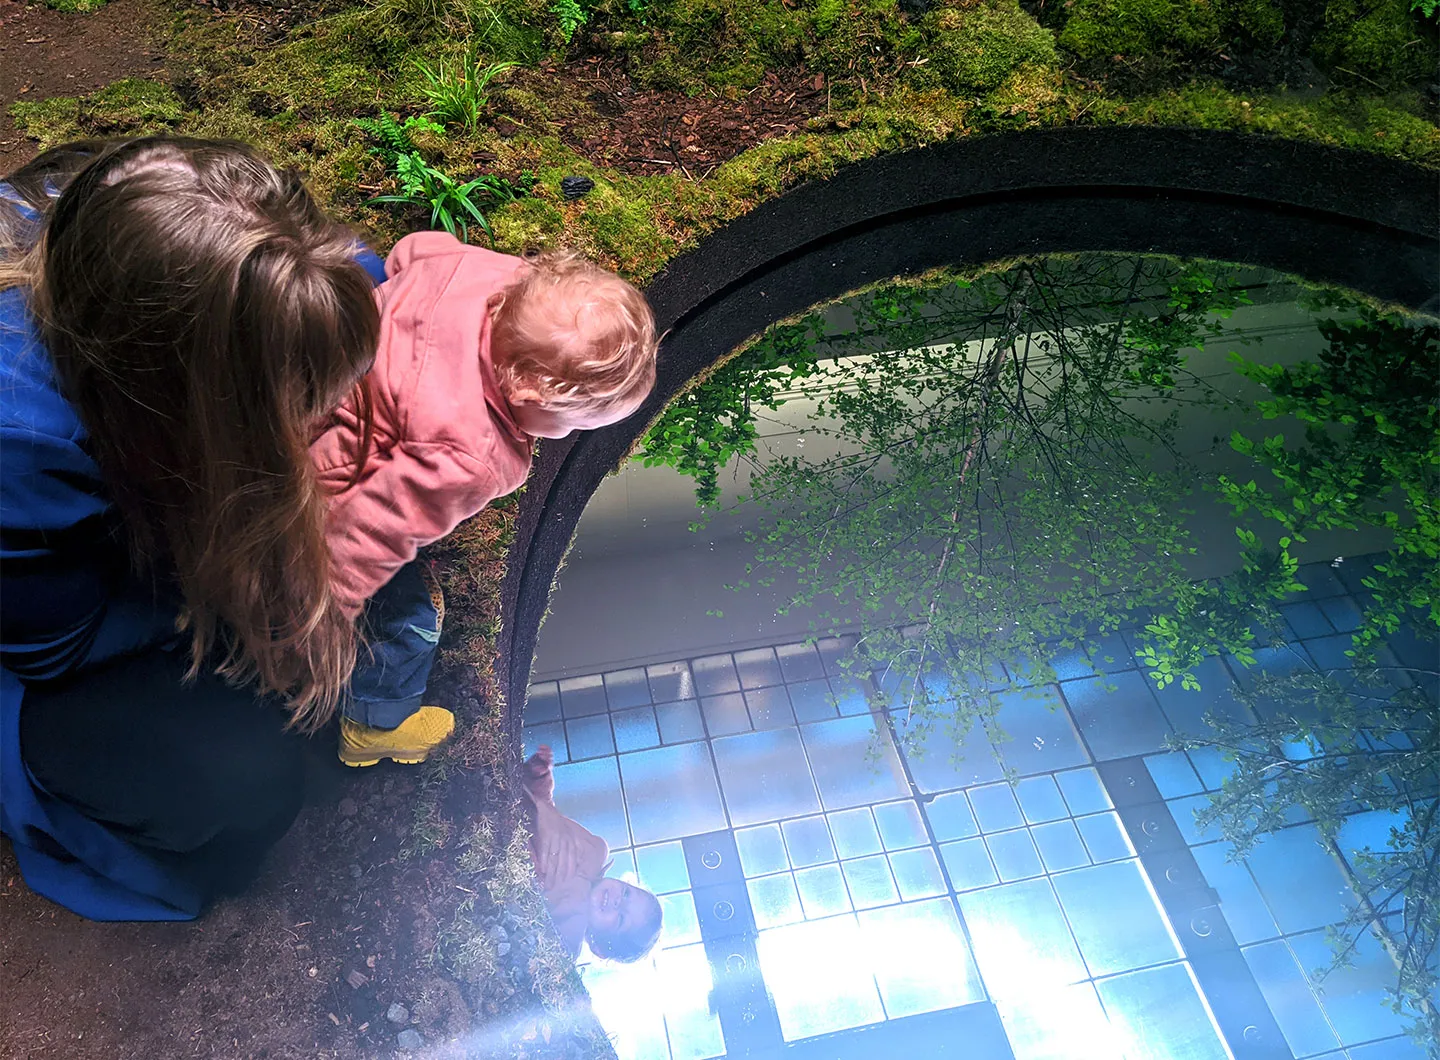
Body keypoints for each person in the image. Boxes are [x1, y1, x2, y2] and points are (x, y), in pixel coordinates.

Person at [0, 137, 385, 920]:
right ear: (176, 395)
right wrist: (217, 594)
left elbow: (349, 281)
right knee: (244, 790)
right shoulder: (21, 441)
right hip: (33, 623)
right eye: (291, 400)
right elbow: (49, 648)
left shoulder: (164, 229)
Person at [311, 233, 659, 767]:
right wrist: (321, 604)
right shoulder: (471, 454)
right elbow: (368, 529)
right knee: (407, 620)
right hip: (312, 473)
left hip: (329, 353)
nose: (564, 438)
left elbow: (412, 252)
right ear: (526, 392)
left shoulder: (486, 276)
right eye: (568, 424)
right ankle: (375, 726)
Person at [521, 746, 663, 963]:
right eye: (626, 893)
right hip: (509, 805)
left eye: (621, 919)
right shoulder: (593, 851)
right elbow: (548, 814)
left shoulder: (568, 935)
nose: (617, 902)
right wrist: (538, 777)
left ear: (598, 947)